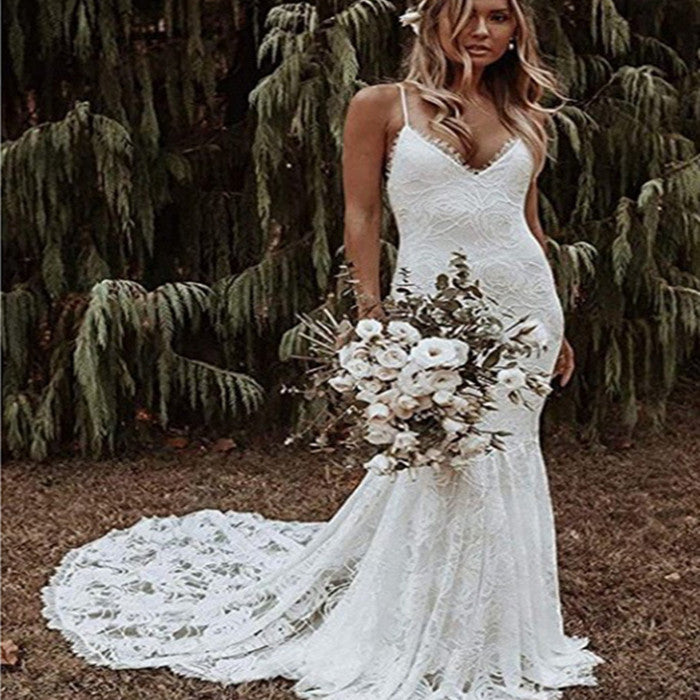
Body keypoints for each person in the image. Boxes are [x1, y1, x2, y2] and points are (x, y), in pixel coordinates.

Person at [40, 1, 604, 697]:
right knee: (437, 460)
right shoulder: (381, 105)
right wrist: (373, 315)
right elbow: (361, 212)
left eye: (498, 16)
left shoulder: (530, 116)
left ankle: (498, 620)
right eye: (466, 14)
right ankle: (419, 615)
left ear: (519, 29)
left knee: (505, 455)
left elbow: (527, 224)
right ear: (431, 21)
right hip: (428, 313)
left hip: (523, 314)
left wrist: (555, 324)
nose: (482, 31)